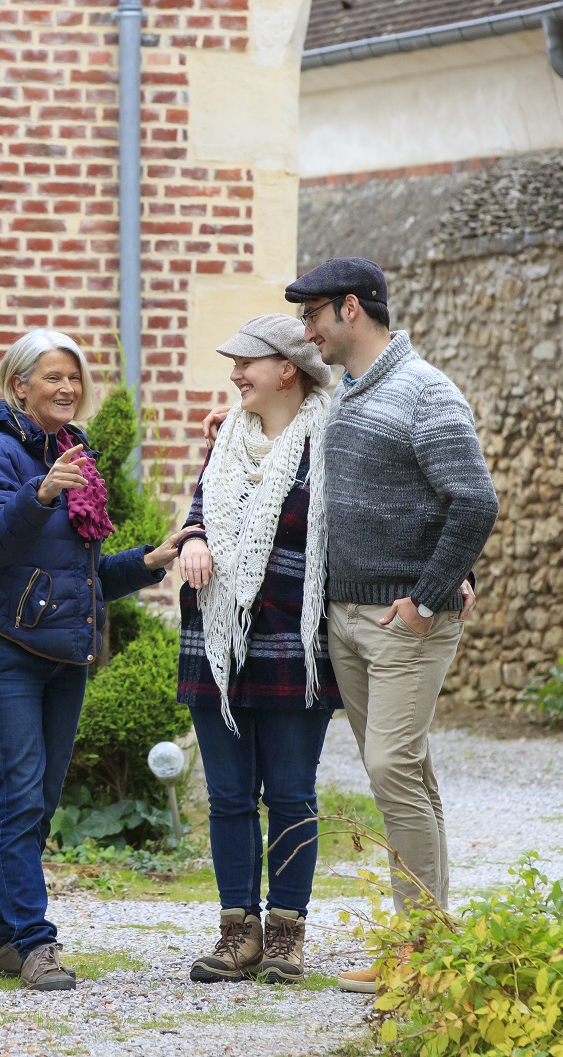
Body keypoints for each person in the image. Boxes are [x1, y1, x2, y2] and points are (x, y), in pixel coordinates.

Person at [203, 258, 496, 994]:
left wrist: (431, 595)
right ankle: (430, 942)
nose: (307, 334)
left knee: (394, 771)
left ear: (350, 310)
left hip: (406, 620)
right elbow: (289, 445)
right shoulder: (350, 398)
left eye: (313, 318)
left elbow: (473, 500)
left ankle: (421, 951)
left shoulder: (426, 391)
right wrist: (233, 422)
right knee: (409, 774)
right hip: (340, 618)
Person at [0, 329, 197, 992]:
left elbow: (78, 574)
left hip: (65, 652)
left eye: (74, 378)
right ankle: (35, 943)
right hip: (7, 648)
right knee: (22, 795)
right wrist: (37, 495)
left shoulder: (74, 455)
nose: (67, 389)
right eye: (53, 377)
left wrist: (147, 562)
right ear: (20, 387)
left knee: (40, 800)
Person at [174, 314, 343, 987]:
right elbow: (198, 512)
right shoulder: (225, 444)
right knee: (229, 798)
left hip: (294, 647)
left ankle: (285, 936)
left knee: (293, 796)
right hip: (215, 643)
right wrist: (191, 539)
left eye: (249, 361)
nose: (236, 373)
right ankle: (235, 934)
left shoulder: (331, 440)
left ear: (288, 370)